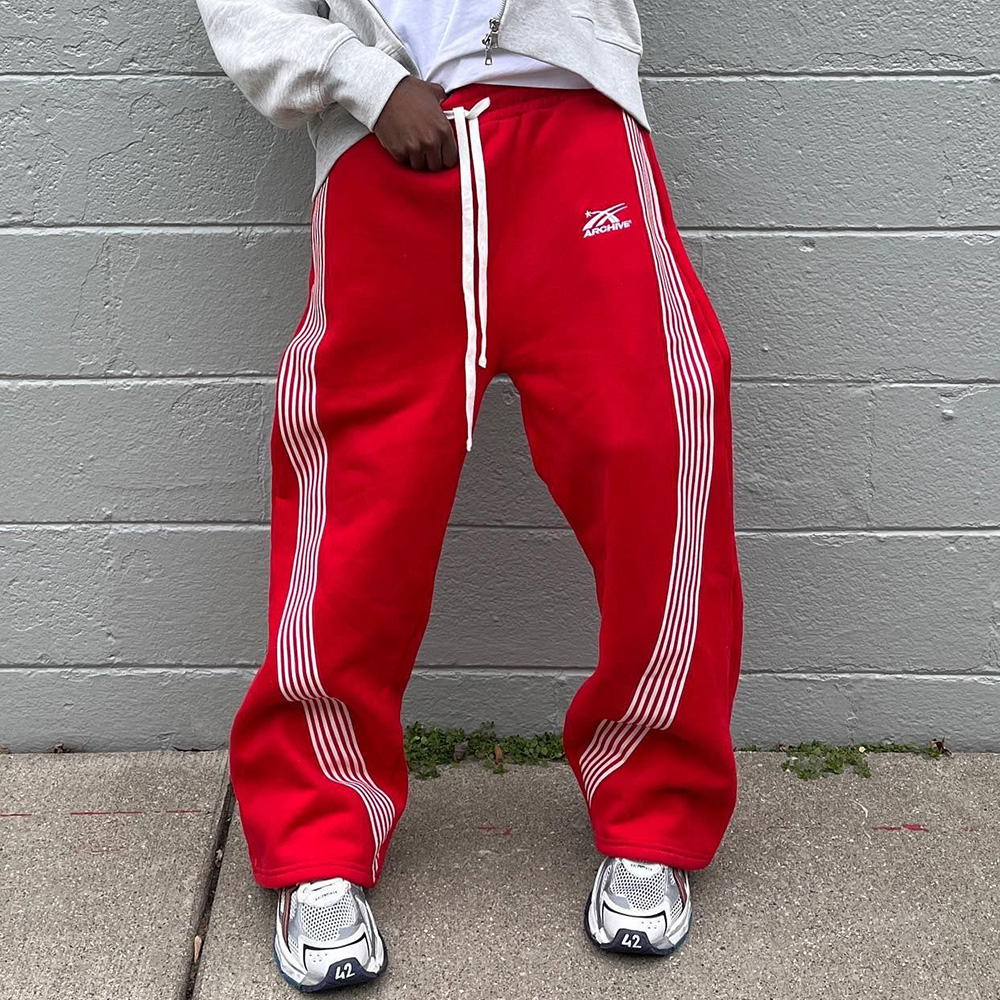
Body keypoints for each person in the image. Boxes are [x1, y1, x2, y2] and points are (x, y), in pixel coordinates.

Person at [195, 0, 743, 990]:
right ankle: (319, 832)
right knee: (358, 494)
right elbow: (246, 14)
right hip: (390, 141)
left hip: (574, 124)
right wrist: (367, 82)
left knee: (662, 440)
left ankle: (654, 808)